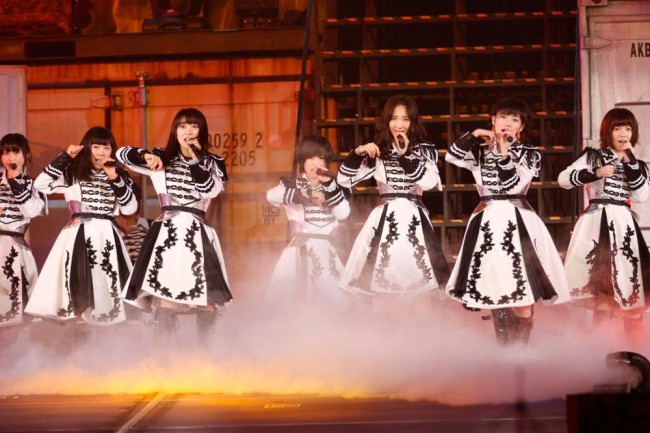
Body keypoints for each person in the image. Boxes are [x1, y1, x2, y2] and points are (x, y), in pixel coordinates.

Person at [445, 97, 570, 345]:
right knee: (494, 291)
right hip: (487, 223)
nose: (508, 123)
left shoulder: (529, 154)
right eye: (503, 117)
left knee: (523, 295)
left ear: (521, 127)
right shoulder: (479, 151)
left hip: (518, 222)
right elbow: (451, 156)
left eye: (515, 119)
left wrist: (503, 154)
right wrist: (475, 134)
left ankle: (520, 350)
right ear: (493, 120)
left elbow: (513, 185)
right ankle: (505, 352)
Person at [116, 108, 232, 341]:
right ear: (175, 130)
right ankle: (163, 354)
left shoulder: (213, 162)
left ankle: (207, 353)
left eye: (194, 126)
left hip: (197, 232)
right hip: (167, 231)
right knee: (165, 295)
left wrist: (197, 159)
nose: (188, 131)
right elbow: (121, 154)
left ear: (201, 131)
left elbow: (210, 190)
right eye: (182, 126)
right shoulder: (162, 157)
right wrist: (146, 157)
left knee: (206, 298)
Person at [336, 94, 450, 310]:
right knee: (377, 282)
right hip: (384, 218)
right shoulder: (378, 150)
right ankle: (384, 329)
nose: (399, 125)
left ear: (413, 122)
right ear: (386, 121)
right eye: (394, 118)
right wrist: (357, 153)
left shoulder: (424, 150)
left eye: (405, 119)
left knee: (418, 286)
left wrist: (405, 156)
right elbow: (344, 180)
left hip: (414, 218)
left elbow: (429, 182)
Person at [25, 126, 137, 327]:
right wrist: (66, 157)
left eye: (106, 148)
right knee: (79, 290)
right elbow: (40, 184)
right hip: (78, 236)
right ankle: (81, 339)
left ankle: (107, 338)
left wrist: (115, 178)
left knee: (109, 291)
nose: (101, 153)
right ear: (87, 148)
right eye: (96, 147)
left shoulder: (119, 175)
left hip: (107, 237)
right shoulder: (73, 173)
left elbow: (130, 208)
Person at [558, 107, 650, 340]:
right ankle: (601, 349)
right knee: (602, 292)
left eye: (628, 128)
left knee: (632, 291)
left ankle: (635, 351)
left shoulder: (638, 164)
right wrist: (597, 172)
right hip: (596, 222)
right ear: (608, 131)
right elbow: (563, 179)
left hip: (624, 226)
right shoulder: (593, 156)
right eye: (618, 128)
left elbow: (641, 196)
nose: (623, 134)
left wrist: (631, 164)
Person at [266, 134, 350, 307]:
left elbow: (343, 213)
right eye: (310, 158)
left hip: (327, 250)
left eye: (320, 158)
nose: (316, 163)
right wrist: (308, 194)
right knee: (294, 303)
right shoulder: (291, 184)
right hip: (299, 250)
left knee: (333, 304)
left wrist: (329, 188)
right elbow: (271, 196)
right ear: (303, 160)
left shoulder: (334, 186)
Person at [0, 133, 44, 345]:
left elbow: (32, 211)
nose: (10, 157)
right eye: (5, 152)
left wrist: (15, 182)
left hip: (15, 250)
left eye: (15, 152)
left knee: (15, 313)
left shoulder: (35, 186)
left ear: (26, 154)